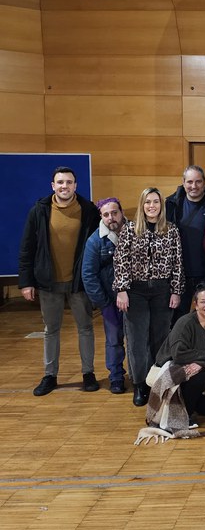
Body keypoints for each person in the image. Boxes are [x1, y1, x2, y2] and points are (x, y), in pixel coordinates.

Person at [19, 166, 100, 396]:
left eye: (69, 182)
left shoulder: (88, 210)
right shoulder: (40, 211)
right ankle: (50, 375)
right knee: (51, 329)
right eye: (60, 182)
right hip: (48, 282)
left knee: (85, 328)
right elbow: (27, 248)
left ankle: (88, 373)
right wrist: (26, 282)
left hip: (78, 282)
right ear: (53, 186)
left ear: (76, 185)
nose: (65, 186)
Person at [113, 187, 184, 407]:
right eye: (147, 202)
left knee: (160, 339)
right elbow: (121, 260)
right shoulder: (130, 229)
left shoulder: (171, 230)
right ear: (142, 205)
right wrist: (122, 289)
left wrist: (176, 290)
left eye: (156, 202)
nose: (152, 206)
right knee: (136, 340)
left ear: (161, 206)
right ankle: (139, 384)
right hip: (136, 291)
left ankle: (157, 382)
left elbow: (177, 263)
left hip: (162, 291)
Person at [154, 284, 205, 424]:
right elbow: (178, 354)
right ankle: (181, 416)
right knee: (200, 378)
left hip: (200, 370)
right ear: (196, 304)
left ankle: (188, 402)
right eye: (203, 302)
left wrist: (200, 363)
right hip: (173, 368)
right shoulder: (184, 322)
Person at [81, 197, 128, 394]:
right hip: (110, 301)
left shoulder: (134, 232)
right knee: (113, 341)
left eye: (114, 213)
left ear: (121, 212)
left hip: (135, 298)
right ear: (101, 216)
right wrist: (105, 303)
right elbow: (88, 275)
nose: (111, 217)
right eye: (106, 214)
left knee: (137, 340)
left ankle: (139, 375)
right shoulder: (95, 241)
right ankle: (116, 377)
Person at [166, 165, 205, 323]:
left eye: (198, 181)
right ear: (183, 182)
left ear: (204, 182)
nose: (194, 186)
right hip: (179, 275)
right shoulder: (171, 204)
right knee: (178, 320)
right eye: (189, 182)